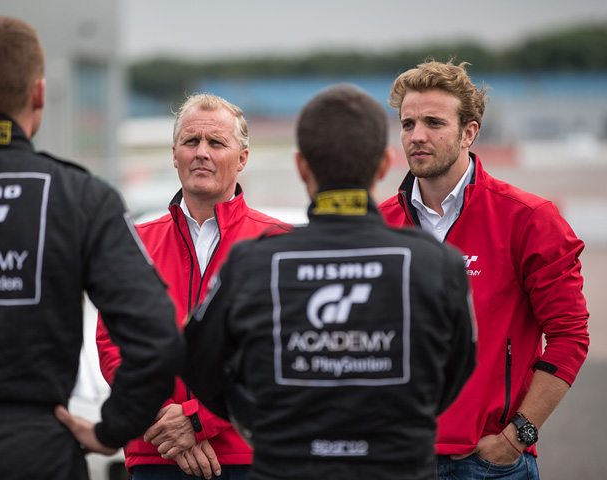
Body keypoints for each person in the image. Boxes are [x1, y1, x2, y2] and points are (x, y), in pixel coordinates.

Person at [0, 15, 184, 480]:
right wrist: (114, 428)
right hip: (35, 452)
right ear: (40, 93)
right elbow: (157, 335)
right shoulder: (81, 196)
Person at [180, 84, 477, 480]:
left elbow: (199, 363)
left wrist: (261, 417)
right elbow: (458, 368)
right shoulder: (438, 262)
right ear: (384, 165)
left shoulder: (251, 262)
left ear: (301, 166)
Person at [379, 60, 590, 479]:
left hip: (488, 463)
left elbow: (570, 336)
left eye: (434, 122)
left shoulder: (529, 219)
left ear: (469, 132)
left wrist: (517, 437)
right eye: (407, 124)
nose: (417, 136)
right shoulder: (379, 226)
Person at [95, 93, 291, 479]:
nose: (201, 152)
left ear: (242, 158)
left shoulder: (278, 243)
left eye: (216, 142)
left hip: (250, 456)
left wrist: (200, 419)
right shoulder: (134, 243)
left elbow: (284, 350)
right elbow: (112, 342)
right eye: (191, 141)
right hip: (158, 453)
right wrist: (160, 417)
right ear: (174, 154)